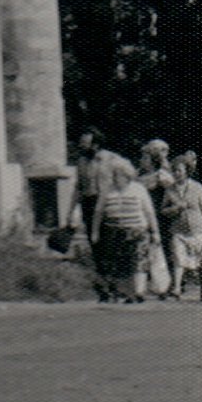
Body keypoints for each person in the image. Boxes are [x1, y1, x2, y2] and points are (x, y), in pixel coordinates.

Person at [88, 159, 161, 303]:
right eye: (114, 175)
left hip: (137, 230)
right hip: (114, 231)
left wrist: (155, 232)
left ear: (127, 176)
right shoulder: (107, 190)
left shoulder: (138, 189)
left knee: (139, 261)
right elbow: (98, 212)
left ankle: (139, 292)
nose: (116, 179)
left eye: (119, 176)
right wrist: (94, 232)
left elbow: (149, 212)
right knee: (121, 263)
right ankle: (125, 292)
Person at [70, 128, 132, 257]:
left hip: (108, 202)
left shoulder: (111, 158)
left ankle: (112, 270)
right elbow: (78, 187)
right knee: (93, 238)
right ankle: (100, 271)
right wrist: (70, 211)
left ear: (95, 144)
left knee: (109, 236)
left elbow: (130, 174)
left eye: (85, 143)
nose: (82, 146)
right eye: (81, 142)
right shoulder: (81, 161)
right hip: (88, 202)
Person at [161, 154, 202, 301]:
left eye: (179, 170)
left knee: (200, 260)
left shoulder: (197, 187)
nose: (176, 173)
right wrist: (174, 209)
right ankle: (176, 289)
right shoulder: (170, 189)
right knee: (178, 258)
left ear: (187, 171)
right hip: (178, 230)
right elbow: (163, 210)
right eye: (174, 171)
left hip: (197, 229)